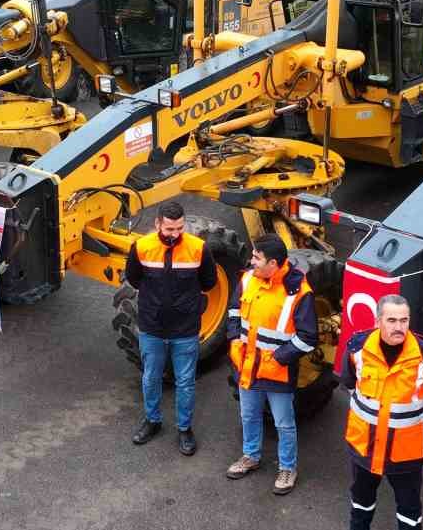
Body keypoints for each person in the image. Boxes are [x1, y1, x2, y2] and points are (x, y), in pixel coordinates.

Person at [330, 294, 423, 530]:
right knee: (361, 496)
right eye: (392, 320)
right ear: (378, 321)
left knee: (409, 507)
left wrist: (419, 417)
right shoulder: (357, 347)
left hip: (404, 452)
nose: (399, 326)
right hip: (364, 446)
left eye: (404, 320)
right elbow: (348, 384)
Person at [225, 234, 316, 495]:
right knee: (249, 415)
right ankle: (250, 456)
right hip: (246, 365)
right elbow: (233, 311)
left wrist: (277, 359)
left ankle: (288, 468)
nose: (251, 261)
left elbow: (308, 337)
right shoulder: (247, 279)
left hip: (276, 372)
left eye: (257, 257)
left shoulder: (299, 292)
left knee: (283, 423)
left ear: (273, 263)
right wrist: (233, 339)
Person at [123, 201, 216, 456]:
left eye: (179, 228)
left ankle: (184, 428)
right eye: (169, 229)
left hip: (185, 330)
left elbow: (209, 281)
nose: (174, 234)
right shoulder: (142, 247)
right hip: (152, 327)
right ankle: (152, 421)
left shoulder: (198, 248)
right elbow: (133, 278)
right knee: (150, 377)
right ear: (157, 225)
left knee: (185, 381)